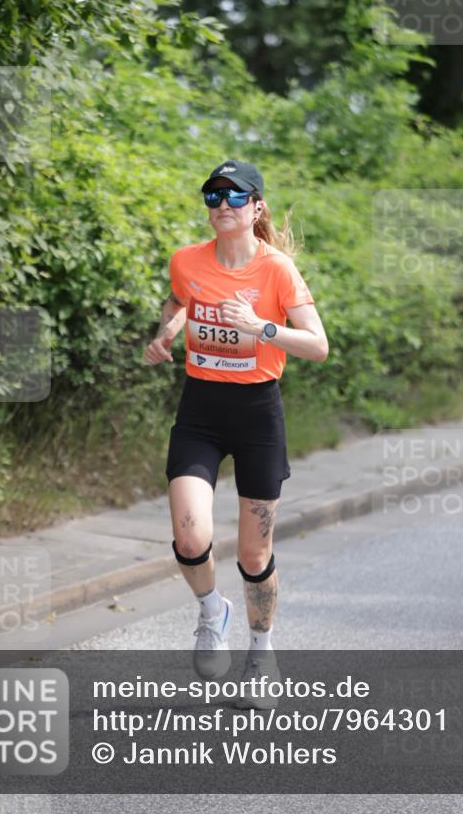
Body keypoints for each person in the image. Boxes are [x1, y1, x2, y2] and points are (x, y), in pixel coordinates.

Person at [143, 159, 328, 705]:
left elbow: (317, 345)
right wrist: (166, 334)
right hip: (200, 409)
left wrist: (261, 328)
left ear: (257, 207)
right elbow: (179, 301)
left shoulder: (277, 271)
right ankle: (210, 612)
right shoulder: (187, 261)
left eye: (235, 196)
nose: (222, 205)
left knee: (253, 555)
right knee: (191, 535)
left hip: (257, 415)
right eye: (213, 196)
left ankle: (262, 651)